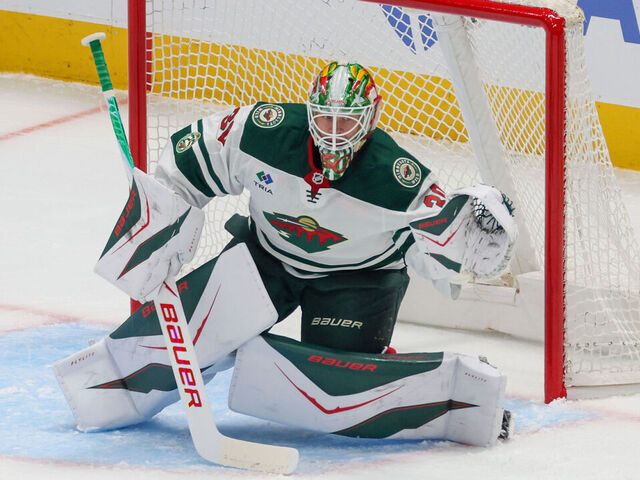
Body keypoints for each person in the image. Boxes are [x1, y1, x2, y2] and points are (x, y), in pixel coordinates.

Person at [54, 61, 516, 446]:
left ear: (371, 120)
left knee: (327, 392)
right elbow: (189, 162)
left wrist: (475, 245)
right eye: (326, 119)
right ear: (310, 112)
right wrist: (161, 224)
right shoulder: (264, 131)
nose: (335, 135)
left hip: (359, 282)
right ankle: (99, 389)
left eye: (348, 122)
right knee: (191, 337)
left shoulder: (399, 179)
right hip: (268, 256)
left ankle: (458, 399)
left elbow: (442, 250)